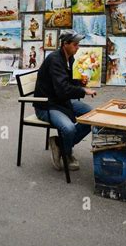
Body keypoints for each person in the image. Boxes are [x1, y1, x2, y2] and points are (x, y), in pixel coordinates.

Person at [34, 31, 97, 171]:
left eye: (78, 44)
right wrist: (82, 90)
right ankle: (66, 153)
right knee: (68, 128)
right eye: (75, 44)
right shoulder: (55, 60)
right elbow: (62, 88)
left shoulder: (70, 58)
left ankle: (59, 144)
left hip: (62, 101)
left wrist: (81, 82)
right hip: (47, 104)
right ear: (65, 44)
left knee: (92, 116)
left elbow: (69, 81)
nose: (78, 47)